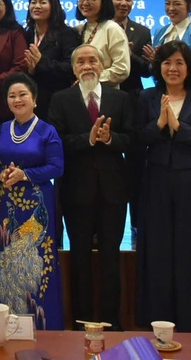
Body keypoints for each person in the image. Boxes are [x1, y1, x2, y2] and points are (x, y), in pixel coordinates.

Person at [135, 41, 191, 332]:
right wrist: (159, 124)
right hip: (156, 181)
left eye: (179, 63)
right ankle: (157, 321)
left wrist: (181, 129)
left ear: (189, 68)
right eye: (167, 63)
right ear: (159, 67)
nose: (173, 68)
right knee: (158, 251)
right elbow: (137, 140)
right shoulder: (147, 98)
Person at [50, 45, 134, 330]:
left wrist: (110, 139)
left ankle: (112, 323)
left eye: (92, 60)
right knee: (80, 259)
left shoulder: (120, 98)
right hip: (75, 190)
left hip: (113, 190)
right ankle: (81, 322)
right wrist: (88, 138)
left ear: (103, 65)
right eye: (81, 61)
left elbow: (133, 140)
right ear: (74, 68)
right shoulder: (60, 99)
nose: (87, 65)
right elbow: (56, 142)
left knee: (111, 258)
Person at [0, 72, 64, 329]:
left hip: (38, 205)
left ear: (35, 100)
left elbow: (57, 167)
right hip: (7, 204)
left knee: (40, 262)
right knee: (6, 259)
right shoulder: (1, 129)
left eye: (23, 95)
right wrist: (1, 174)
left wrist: (26, 174)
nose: (17, 99)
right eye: (12, 96)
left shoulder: (47, 130)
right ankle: (9, 324)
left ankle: (45, 325)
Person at [110, 0, 151, 235]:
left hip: (133, 102)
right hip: (104, 102)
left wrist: (127, 53)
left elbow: (147, 69)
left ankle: (137, 222)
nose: (124, 3)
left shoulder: (141, 30)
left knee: (137, 164)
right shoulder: (98, 28)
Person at [23, 0, 79, 122]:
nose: (37, 6)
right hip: (30, 100)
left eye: (42, 2)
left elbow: (71, 68)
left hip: (56, 99)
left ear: (53, 6)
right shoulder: (26, 34)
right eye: (33, 2)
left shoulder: (66, 34)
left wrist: (41, 62)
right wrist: (30, 71)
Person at [75, 0, 131, 86]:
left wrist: (90, 79)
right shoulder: (78, 30)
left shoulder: (112, 29)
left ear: (104, 2)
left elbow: (122, 69)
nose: (85, 3)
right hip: (80, 93)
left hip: (106, 95)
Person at [109, 0, 152, 95]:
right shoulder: (96, 28)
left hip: (132, 97)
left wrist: (130, 55)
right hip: (103, 95)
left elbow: (147, 71)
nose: (124, 3)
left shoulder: (142, 32)